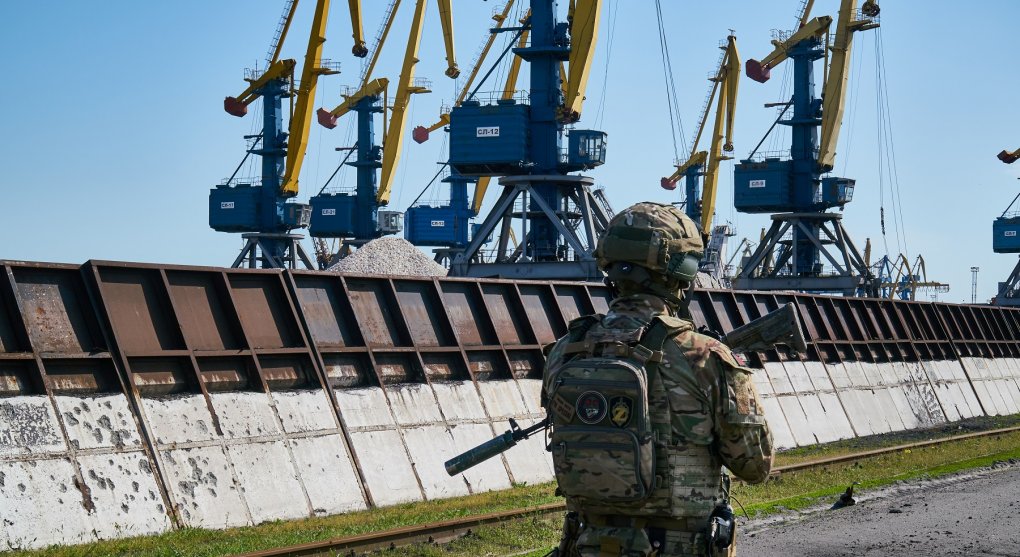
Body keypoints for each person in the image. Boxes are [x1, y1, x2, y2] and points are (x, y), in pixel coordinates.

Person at [541, 202, 773, 557]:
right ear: (679, 271)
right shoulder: (704, 356)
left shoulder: (567, 350)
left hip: (586, 545)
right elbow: (754, 466)